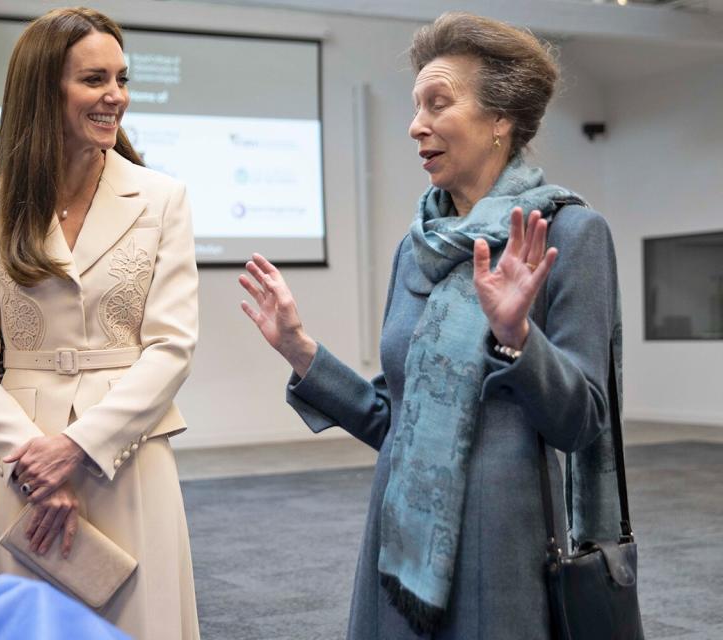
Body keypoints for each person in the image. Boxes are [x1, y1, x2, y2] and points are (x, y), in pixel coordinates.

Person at [239, 12, 623, 640]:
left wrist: (519, 340)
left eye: (438, 103)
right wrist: (302, 351)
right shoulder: (417, 248)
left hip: (501, 550)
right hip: (399, 547)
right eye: (416, 106)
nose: (416, 125)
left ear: (501, 121)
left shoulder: (571, 234)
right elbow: (393, 419)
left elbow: (583, 422)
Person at [0, 8, 200, 640]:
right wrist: (33, 460)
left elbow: (171, 347)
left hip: (127, 457)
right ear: (43, 88)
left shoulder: (162, 198)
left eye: (122, 78)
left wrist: (78, 448)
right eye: (93, 79)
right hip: (22, 460)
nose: (115, 96)